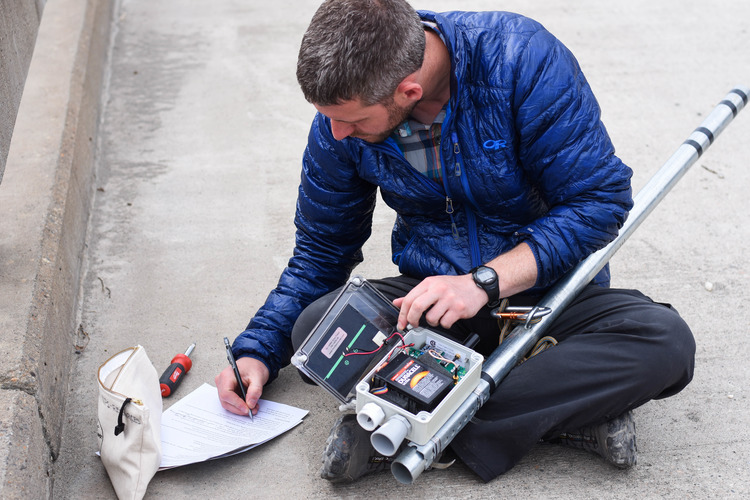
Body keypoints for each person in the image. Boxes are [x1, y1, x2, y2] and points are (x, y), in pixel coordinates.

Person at [215, 0, 696, 484]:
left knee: (664, 342)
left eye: (354, 122)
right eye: (331, 120)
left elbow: (599, 201)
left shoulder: (521, 59)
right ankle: (559, 413)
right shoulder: (340, 120)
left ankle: (406, 424)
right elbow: (321, 249)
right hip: (429, 305)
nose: (338, 133)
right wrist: (257, 351)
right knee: (317, 328)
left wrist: (485, 282)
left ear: (408, 90)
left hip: (544, 300)